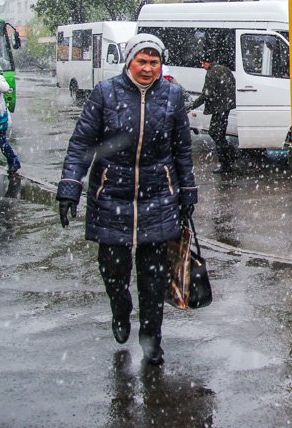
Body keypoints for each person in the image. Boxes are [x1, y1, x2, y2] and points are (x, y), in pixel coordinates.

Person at [56, 34, 197, 366]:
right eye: (141, 61)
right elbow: (81, 144)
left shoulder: (173, 95)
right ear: (129, 62)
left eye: (154, 62)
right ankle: (120, 308)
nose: (147, 68)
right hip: (111, 196)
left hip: (158, 197)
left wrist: (187, 192)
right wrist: (69, 188)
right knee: (113, 271)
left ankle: (151, 337)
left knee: (153, 278)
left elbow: (182, 149)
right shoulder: (105, 93)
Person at [189, 54, 238, 173]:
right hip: (226, 107)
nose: (202, 65)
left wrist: (192, 105)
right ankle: (230, 155)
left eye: (203, 63)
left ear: (209, 62)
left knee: (216, 134)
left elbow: (207, 94)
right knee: (218, 133)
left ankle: (227, 161)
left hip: (219, 108)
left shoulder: (212, 73)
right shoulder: (225, 69)